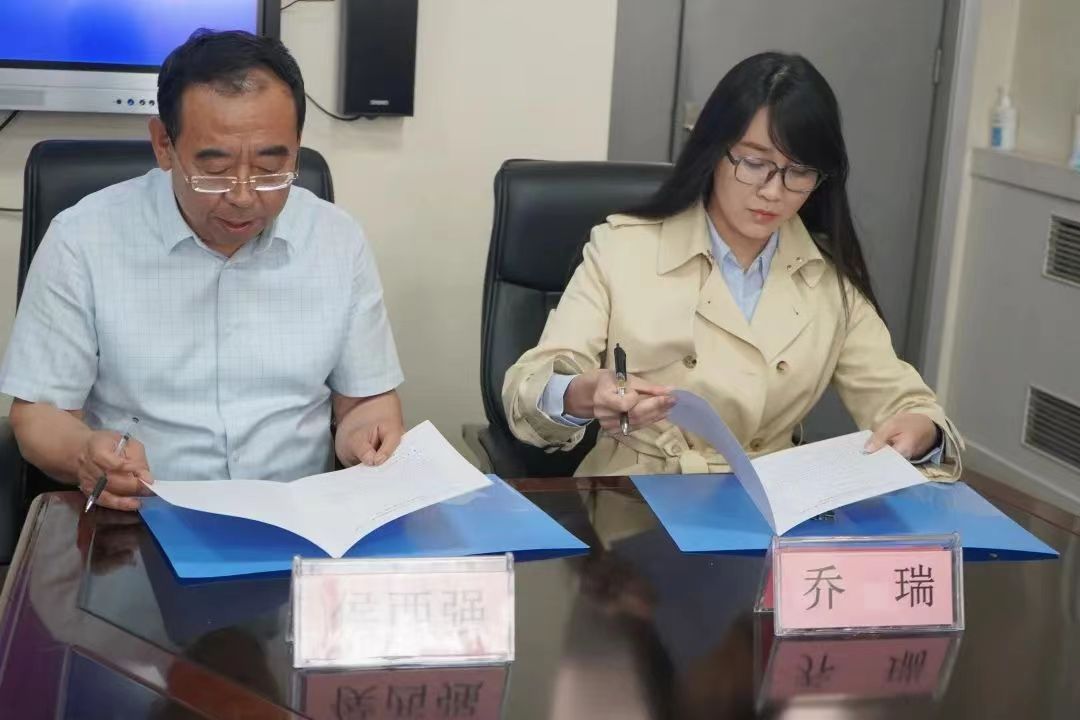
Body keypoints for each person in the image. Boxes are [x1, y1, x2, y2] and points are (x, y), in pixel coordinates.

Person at [502, 52, 962, 479]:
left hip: (767, 501)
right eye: (755, 162)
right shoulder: (622, 249)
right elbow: (530, 386)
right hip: (632, 498)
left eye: (799, 172)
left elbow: (903, 401)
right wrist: (582, 394)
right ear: (713, 151)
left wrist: (921, 430)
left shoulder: (829, 279)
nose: (773, 191)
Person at [0, 30, 405, 511]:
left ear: (296, 147)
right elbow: (39, 415)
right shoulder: (82, 239)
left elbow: (365, 402)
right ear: (163, 145)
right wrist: (84, 452)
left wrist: (366, 436)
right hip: (142, 516)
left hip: (297, 520)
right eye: (215, 169)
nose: (243, 195)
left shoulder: (337, 239)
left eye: (270, 167)